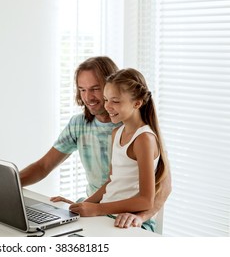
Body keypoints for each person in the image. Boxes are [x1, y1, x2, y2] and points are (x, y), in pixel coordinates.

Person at [19, 57, 171, 230]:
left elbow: (163, 185)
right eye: (82, 89)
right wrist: (10, 184)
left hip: (129, 217)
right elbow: (44, 166)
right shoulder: (83, 125)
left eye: (95, 89)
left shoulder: (139, 131)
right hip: (97, 210)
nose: (87, 97)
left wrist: (141, 216)